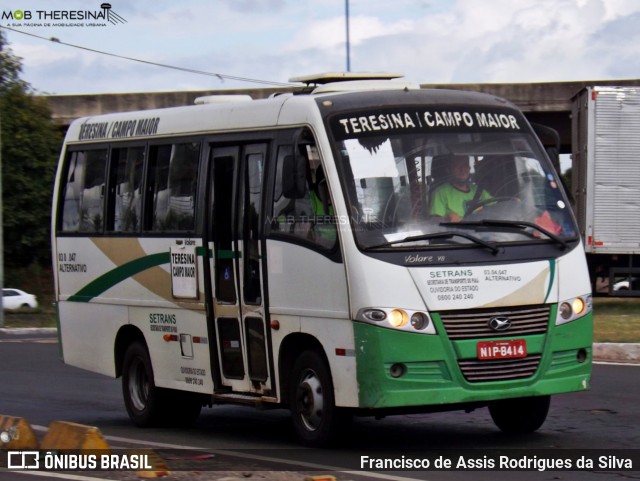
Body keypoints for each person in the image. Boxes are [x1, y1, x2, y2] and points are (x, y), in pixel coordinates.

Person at [429, 155, 491, 222]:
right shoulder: (440, 192)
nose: (462, 169)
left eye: (465, 165)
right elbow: (433, 221)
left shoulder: (479, 190)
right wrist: (446, 219)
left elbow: (496, 208)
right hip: (456, 232)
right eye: (458, 166)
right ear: (449, 170)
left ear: (469, 168)